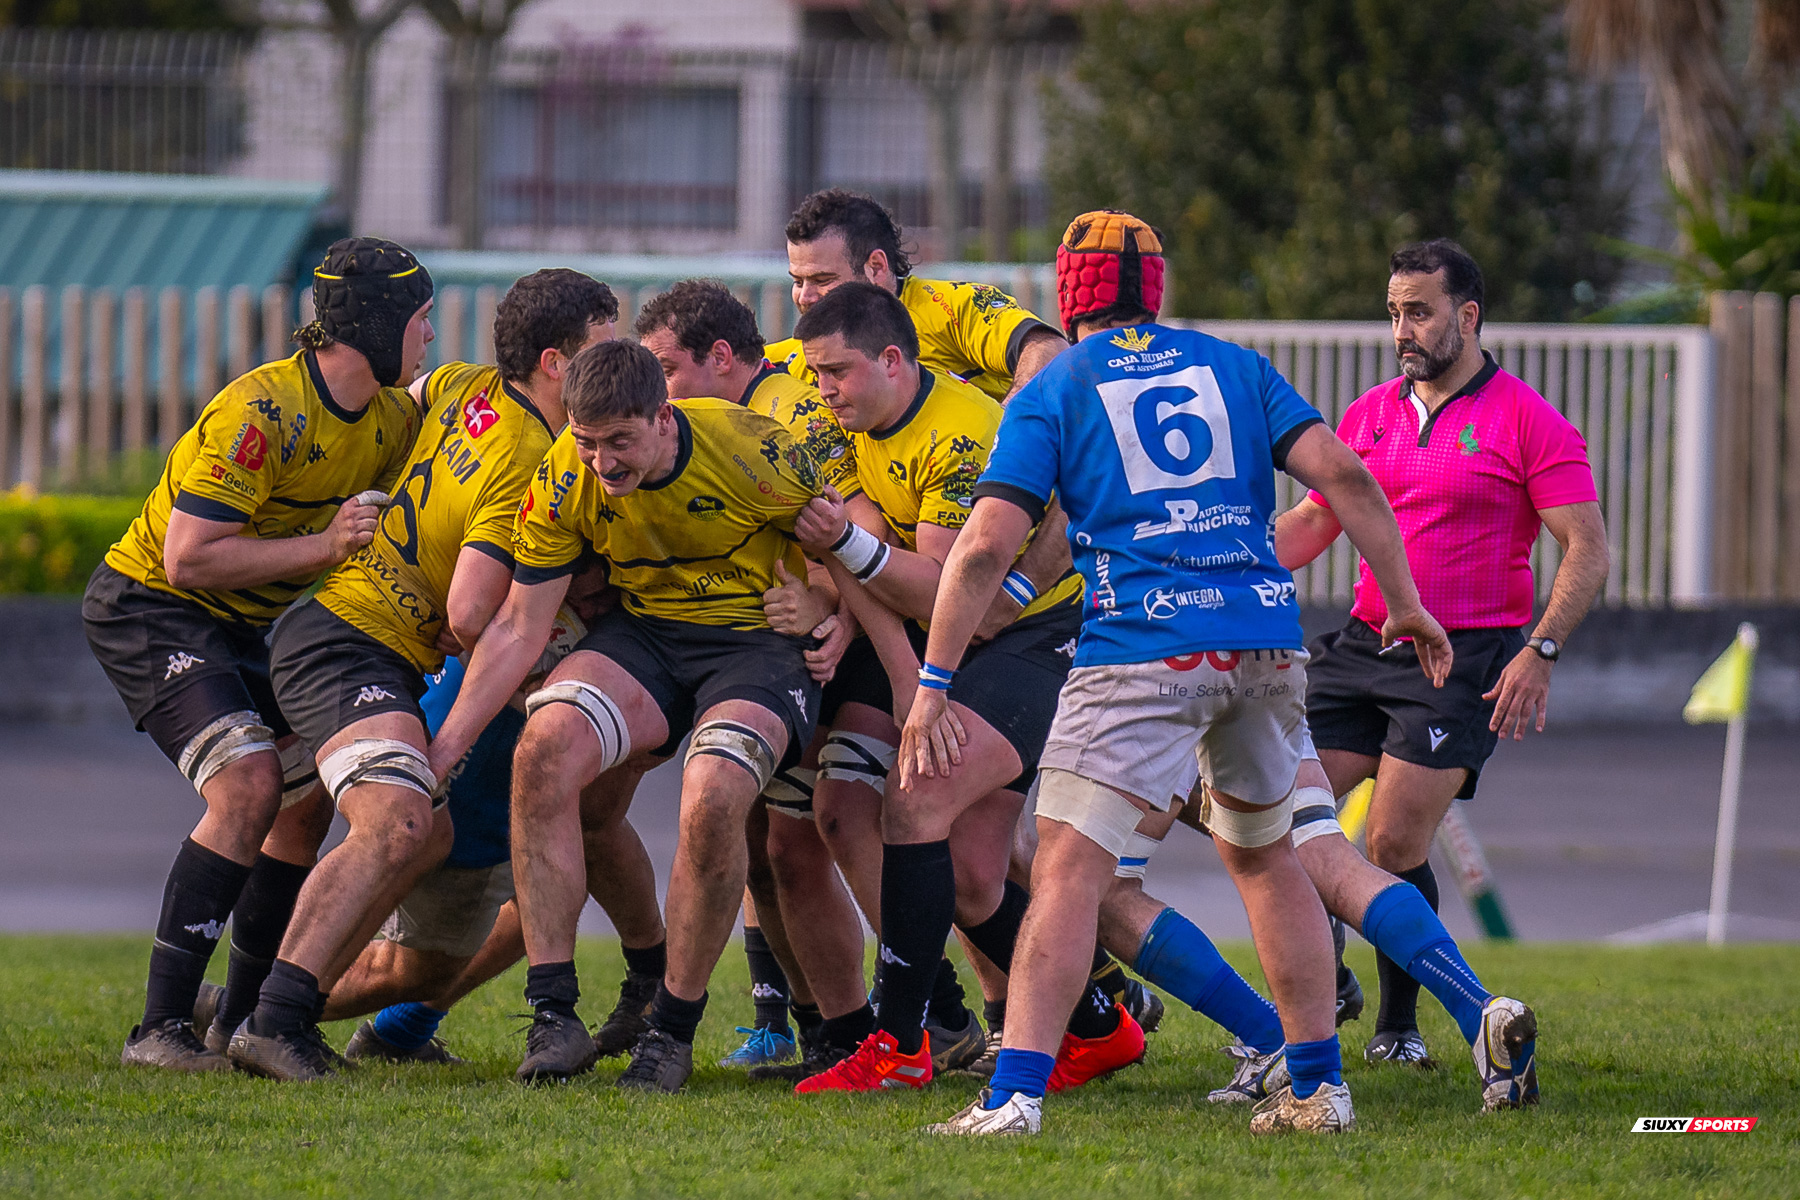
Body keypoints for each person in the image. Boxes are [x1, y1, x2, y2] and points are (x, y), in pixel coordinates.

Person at [907, 209, 1452, 1137]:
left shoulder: (1055, 386)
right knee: (1270, 857)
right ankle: (1319, 1089)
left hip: (1139, 647)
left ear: (1066, 294)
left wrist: (933, 686)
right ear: (1154, 290)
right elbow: (1349, 479)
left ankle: (1011, 1100)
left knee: (1071, 874)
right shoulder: (1235, 365)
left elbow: (983, 548)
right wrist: (1402, 600)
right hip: (1264, 644)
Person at [229, 268, 614, 1079]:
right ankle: (272, 1020)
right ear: (555, 362)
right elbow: (473, 615)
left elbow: (424, 394)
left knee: (425, 832)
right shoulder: (533, 458)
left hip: (348, 637)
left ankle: (250, 1011)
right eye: (603, 348)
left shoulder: (465, 386)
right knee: (402, 823)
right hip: (346, 642)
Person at [421, 340, 832, 1094]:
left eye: (620, 442)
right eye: (586, 440)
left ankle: (671, 1030)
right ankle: (554, 1015)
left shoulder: (754, 450)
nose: (602, 463)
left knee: (712, 800)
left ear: (664, 418)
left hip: (755, 644)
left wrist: (835, 614)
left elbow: (855, 537)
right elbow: (516, 626)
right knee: (542, 749)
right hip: (648, 637)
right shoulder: (563, 476)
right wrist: (445, 746)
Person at [781, 282, 1139, 1098]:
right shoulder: (847, 424)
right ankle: (1098, 1028)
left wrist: (921, 674)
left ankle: (901, 1044)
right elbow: (861, 566)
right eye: (814, 373)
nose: (823, 388)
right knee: (976, 876)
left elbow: (954, 593)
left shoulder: (964, 434)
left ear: (894, 360)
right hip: (965, 641)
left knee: (912, 802)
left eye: (836, 372)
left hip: (1039, 637)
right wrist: (909, 678)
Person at [84, 237, 428, 1072]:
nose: (429, 337)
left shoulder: (390, 421)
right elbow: (188, 557)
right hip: (153, 609)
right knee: (249, 783)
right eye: (420, 320)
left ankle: (239, 1024)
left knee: (303, 801)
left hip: (242, 631)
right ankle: (158, 1032)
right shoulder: (264, 410)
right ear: (375, 324)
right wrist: (325, 544)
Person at [1277, 238, 1607, 1070]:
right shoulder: (1369, 414)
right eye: (1393, 312)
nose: (1402, 330)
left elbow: (1589, 549)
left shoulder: (1530, 420)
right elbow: (1313, 527)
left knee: (1390, 845)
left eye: (1418, 311)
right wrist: (1208, 556)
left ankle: (1398, 1027)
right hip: (1363, 644)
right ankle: (1330, 978)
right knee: (1268, 808)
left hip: (1462, 661)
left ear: (1467, 315)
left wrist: (1541, 650)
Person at [634, 279, 869, 1070]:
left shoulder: (788, 413)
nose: (657, 391)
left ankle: (903, 1020)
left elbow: (853, 520)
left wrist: (830, 603)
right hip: (772, 643)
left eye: (666, 369)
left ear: (721, 357)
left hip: (816, 653)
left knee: (804, 843)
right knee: (767, 839)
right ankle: (807, 1023)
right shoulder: (721, 418)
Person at [768, 189, 1064, 402]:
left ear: (876, 267)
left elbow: (1050, 349)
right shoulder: (800, 355)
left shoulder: (952, 308)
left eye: (822, 279)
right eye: (797, 281)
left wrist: (1007, 432)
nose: (805, 297)